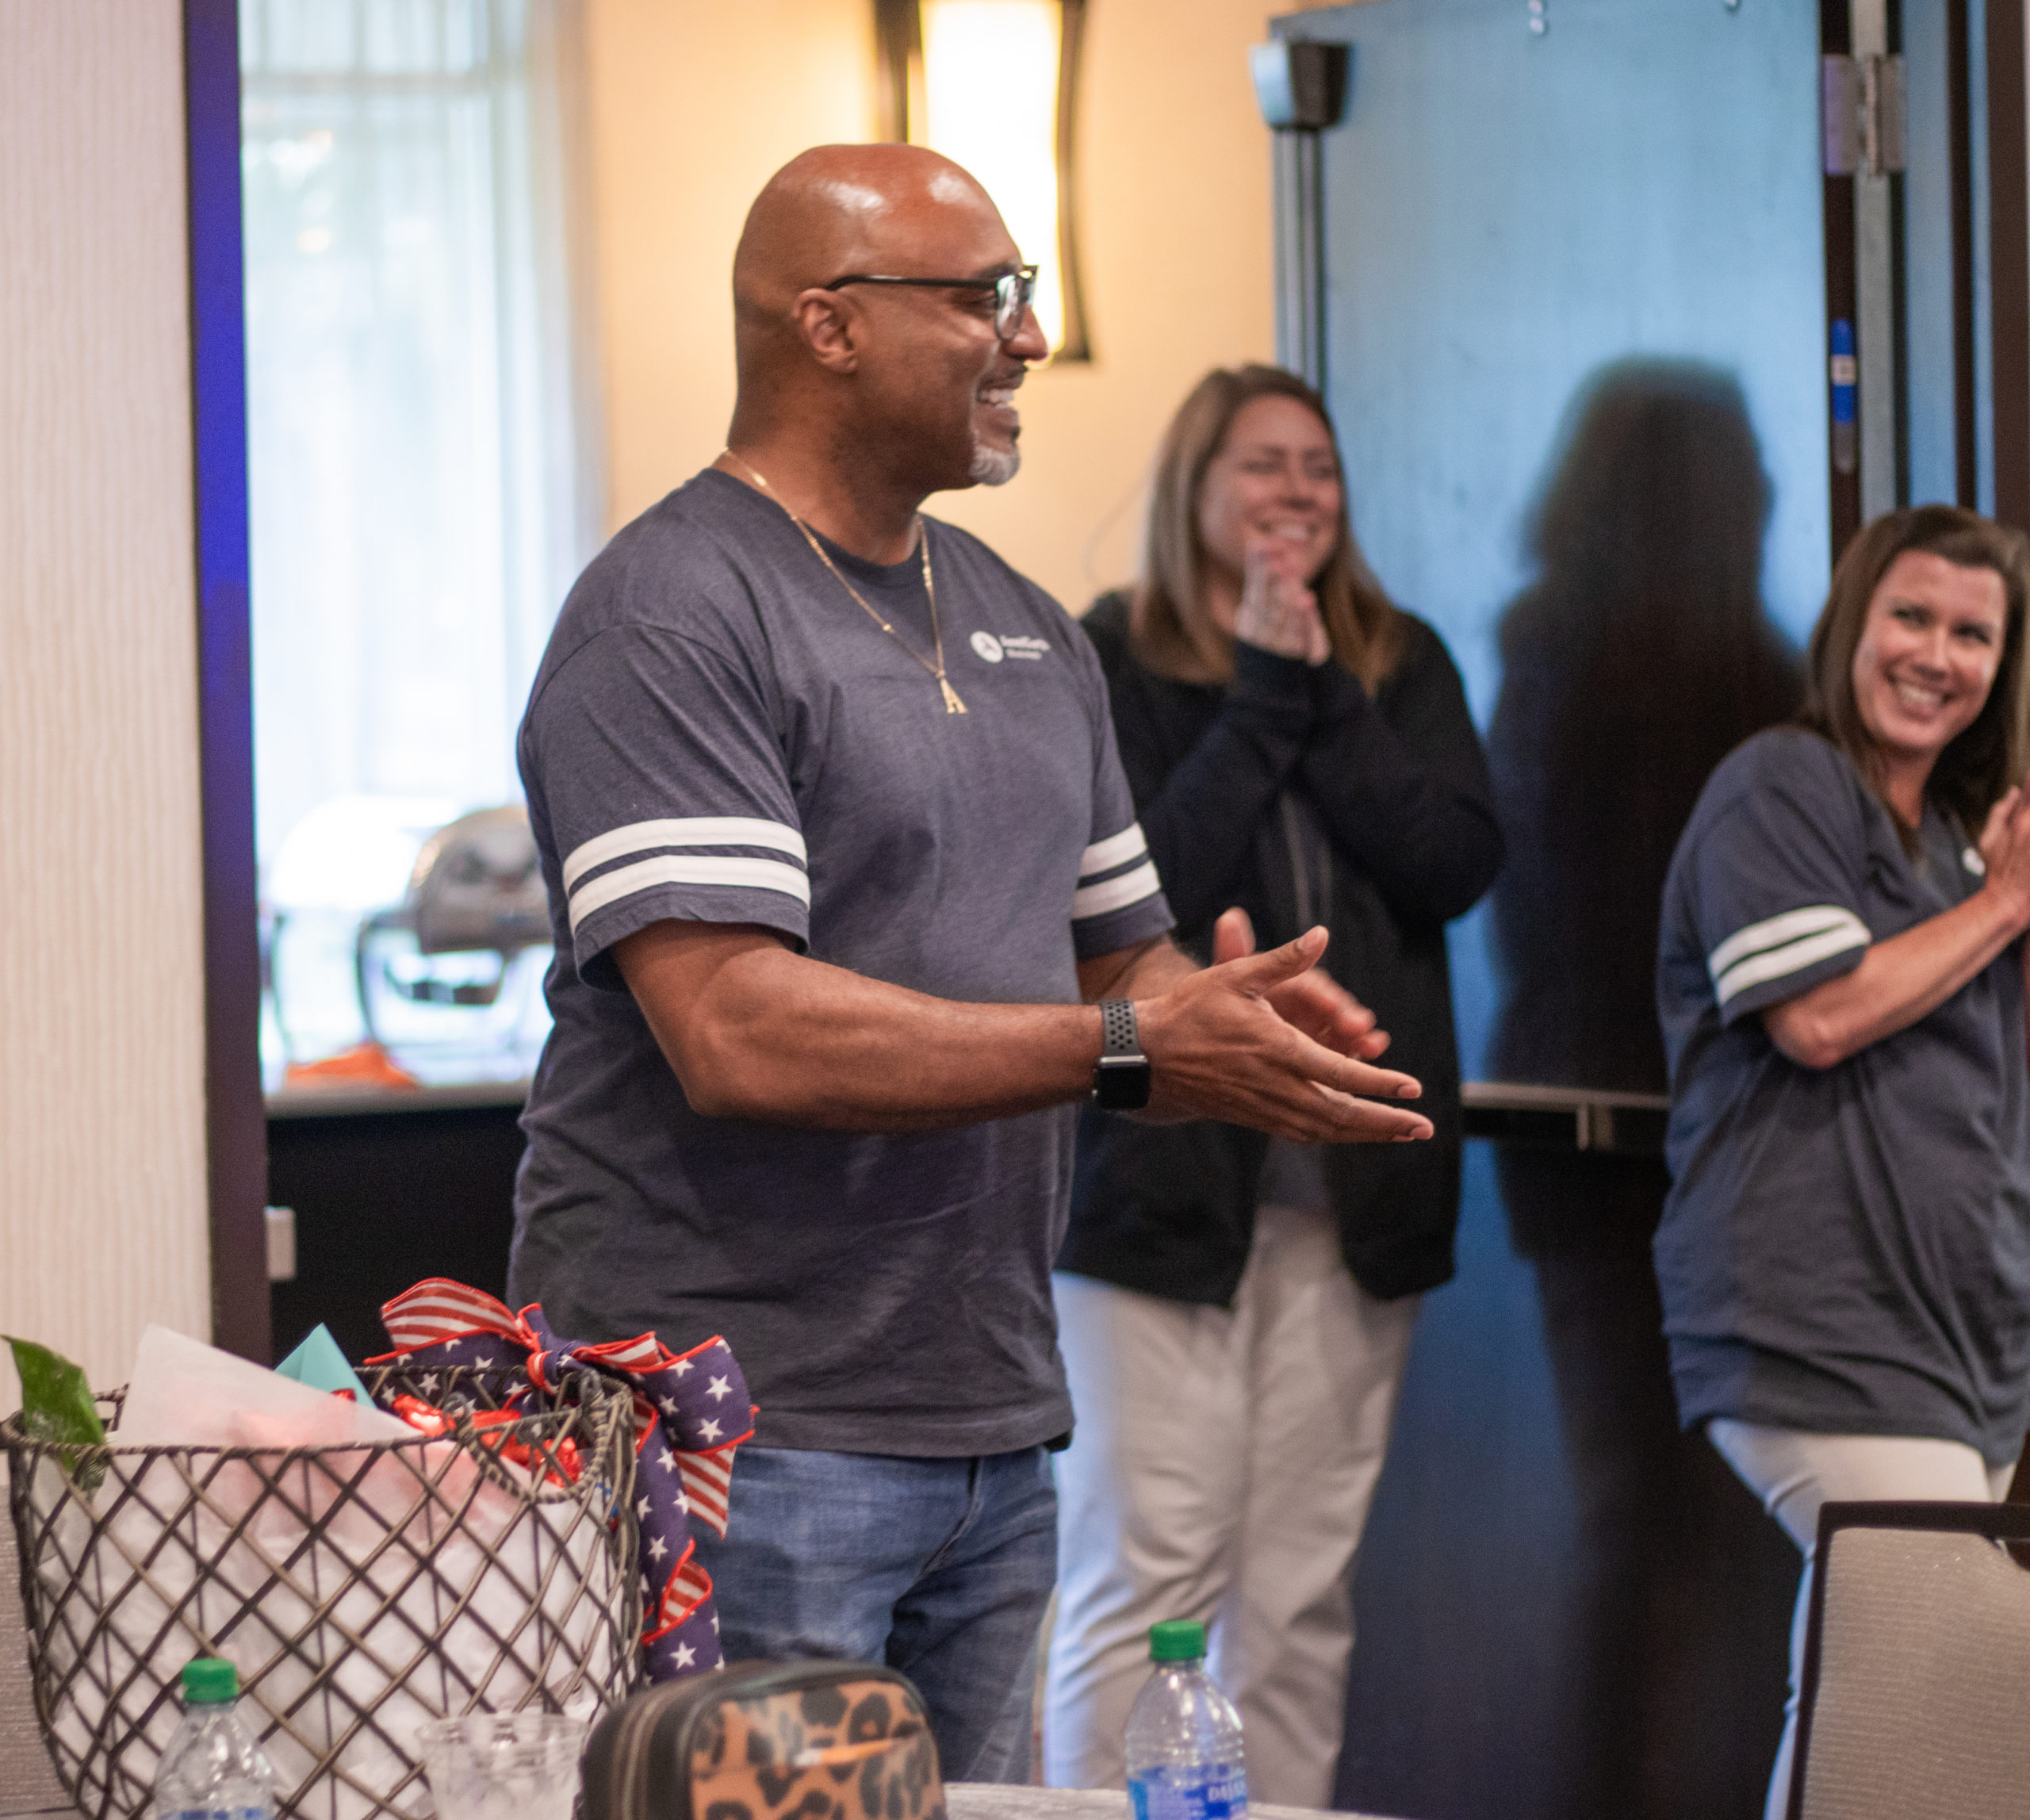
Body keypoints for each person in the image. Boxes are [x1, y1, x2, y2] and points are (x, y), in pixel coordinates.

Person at [508, 148, 1433, 1781]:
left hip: (991, 1425)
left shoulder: (1028, 629)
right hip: (739, 1428)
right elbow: (735, 1026)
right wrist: (1131, 1043)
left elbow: (1113, 971)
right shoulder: (669, 613)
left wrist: (1224, 1019)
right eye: (986, 297)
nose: (1028, 338)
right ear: (830, 325)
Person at [1044, 364, 1502, 1805]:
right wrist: (1258, 697)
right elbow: (1130, 892)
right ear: (1195, 485)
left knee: (1301, 1590)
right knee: (1146, 1573)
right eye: (1262, 464)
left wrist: (1322, 693)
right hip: (1152, 1197)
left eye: (1319, 466)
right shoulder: (1110, 657)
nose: (1297, 492)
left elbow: (1450, 860)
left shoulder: (1400, 662)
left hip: (1352, 1195)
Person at [1654, 504, 2030, 1820]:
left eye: (1973, 634)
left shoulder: (1967, 840)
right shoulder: (1783, 784)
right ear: (1852, 626)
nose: (1936, 655)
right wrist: (2006, 908)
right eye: (1910, 616)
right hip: (1820, 1326)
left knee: (1936, 1699)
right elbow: (1815, 1017)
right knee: (1910, 1685)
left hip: (1965, 1343)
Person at [1486, 361, 1803, 1819]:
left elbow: (1528, 921)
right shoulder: (1751, 678)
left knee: (1639, 1519)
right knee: (1694, 1532)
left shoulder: (1543, 654)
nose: (1773, 490)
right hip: (1688, 1141)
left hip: (1581, 1139)